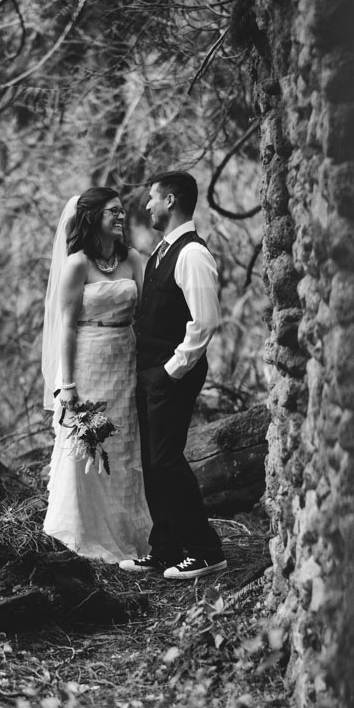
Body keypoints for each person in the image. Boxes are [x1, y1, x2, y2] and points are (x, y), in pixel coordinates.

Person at [119, 171, 226, 580]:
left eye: (152, 198)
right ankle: (166, 548)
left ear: (171, 200)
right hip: (151, 374)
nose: (147, 205)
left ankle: (205, 549)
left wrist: (169, 371)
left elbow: (204, 323)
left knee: (166, 460)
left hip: (172, 375)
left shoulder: (193, 254)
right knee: (152, 461)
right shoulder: (162, 251)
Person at [41, 187, 151, 562]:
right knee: (87, 447)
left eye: (122, 212)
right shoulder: (77, 264)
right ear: (92, 218)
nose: (121, 217)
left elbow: (147, 311)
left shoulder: (132, 259)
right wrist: (68, 385)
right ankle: (86, 535)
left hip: (125, 360)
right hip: (87, 362)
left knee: (123, 447)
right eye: (112, 212)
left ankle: (129, 534)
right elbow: (67, 326)